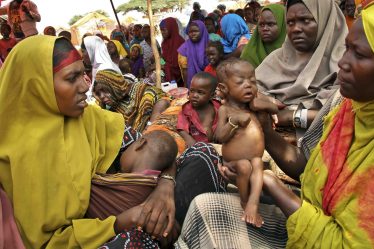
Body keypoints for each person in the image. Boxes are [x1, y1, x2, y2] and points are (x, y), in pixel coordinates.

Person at [176, 3, 374, 248]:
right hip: (313, 208)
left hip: (325, 233)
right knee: (203, 205)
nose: (343, 62)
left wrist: (272, 184)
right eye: (346, 49)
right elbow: (307, 167)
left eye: (360, 54)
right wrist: (266, 132)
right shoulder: (347, 106)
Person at [0, 35, 227, 248]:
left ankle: (165, 223)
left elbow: (156, 148)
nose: (85, 86)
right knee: (135, 240)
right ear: (36, 86)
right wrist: (118, 223)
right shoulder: (13, 154)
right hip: (98, 234)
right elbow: (46, 242)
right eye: (71, 78)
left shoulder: (91, 119)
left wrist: (165, 188)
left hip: (140, 208)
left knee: (204, 153)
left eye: (84, 74)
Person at [214, 58, 278, 227]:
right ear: (224, 88)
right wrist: (234, 122)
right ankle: (244, 201)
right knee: (244, 166)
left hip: (255, 158)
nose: (248, 85)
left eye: (252, 81)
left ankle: (253, 203)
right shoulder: (225, 109)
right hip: (234, 162)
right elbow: (219, 136)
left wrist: (261, 104)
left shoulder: (253, 105)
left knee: (257, 163)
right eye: (241, 82)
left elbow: (275, 108)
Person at [255, 0, 348, 114]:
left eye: (305, 20)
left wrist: (293, 117)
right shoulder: (276, 59)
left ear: (325, 20)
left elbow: (344, 109)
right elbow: (250, 89)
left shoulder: (346, 61)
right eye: (290, 22)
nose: (295, 29)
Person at [87, 130, 178, 220]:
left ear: (141, 143)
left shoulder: (131, 187)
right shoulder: (151, 187)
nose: (123, 152)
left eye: (127, 148)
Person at [93, 69, 168, 133]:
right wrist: (101, 105)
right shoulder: (115, 108)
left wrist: (149, 126)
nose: (101, 96)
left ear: (114, 85)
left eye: (104, 90)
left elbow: (163, 101)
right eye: (98, 94)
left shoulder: (141, 90)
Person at [177, 72, 220, 147]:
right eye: (192, 91)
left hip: (216, 145)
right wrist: (191, 142)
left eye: (200, 92)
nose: (194, 95)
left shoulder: (218, 107)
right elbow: (181, 129)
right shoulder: (186, 110)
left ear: (212, 95)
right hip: (196, 147)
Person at [241, 4, 287, 68]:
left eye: (270, 24)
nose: (265, 28)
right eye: (261, 24)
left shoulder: (295, 52)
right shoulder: (249, 54)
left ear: (283, 25)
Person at [82, 35, 121, 100]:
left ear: (91, 51)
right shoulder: (96, 67)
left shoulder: (105, 68)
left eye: (83, 51)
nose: (82, 55)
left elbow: (108, 98)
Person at [178, 20, 209, 88]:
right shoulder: (184, 48)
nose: (193, 34)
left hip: (210, 82)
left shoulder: (210, 45)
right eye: (190, 32)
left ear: (202, 31)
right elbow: (185, 70)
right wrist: (186, 85)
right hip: (192, 83)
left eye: (196, 31)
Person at [160, 17, 185, 85]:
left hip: (179, 78)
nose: (162, 32)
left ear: (171, 28)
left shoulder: (180, 42)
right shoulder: (164, 43)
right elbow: (162, 59)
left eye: (164, 30)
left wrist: (164, 65)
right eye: (161, 30)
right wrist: (161, 63)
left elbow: (177, 65)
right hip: (167, 72)